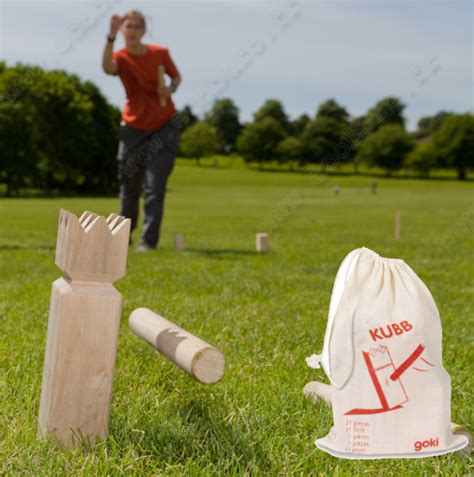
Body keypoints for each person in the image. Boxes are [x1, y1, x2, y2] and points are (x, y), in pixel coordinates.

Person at [102, 10, 182, 251]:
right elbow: (107, 68)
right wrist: (110, 37)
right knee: (129, 186)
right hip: (133, 129)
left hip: (164, 127)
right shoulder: (121, 57)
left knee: (154, 186)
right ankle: (122, 238)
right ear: (123, 30)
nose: (133, 30)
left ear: (144, 31)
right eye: (129, 26)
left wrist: (169, 89)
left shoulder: (160, 53)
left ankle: (148, 242)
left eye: (137, 26)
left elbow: (176, 78)